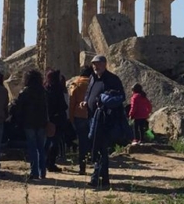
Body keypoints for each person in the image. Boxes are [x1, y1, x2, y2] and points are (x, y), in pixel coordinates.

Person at [80, 55, 125, 188]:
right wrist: (85, 102)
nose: (95, 66)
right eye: (94, 64)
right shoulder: (93, 78)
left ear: (105, 64)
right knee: (99, 148)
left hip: (106, 120)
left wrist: (105, 102)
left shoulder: (112, 79)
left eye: (98, 64)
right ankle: (104, 180)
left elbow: (120, 97)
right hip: (92, 118)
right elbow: (89, 93)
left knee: (100, 148)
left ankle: (95, 178)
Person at [11, 70, 49, 180]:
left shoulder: (25, 92)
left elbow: (19, 108)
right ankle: (43, 172)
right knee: (41, 148)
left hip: (29, 123)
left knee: (32, 148)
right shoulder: (43, 91)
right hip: (41, 123)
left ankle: (34, 172)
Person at [68, 66, 92, 175]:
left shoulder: (76, 84)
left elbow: (72, 103)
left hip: (79, 116)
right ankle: (96, 163)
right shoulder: (94, 84)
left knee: (82, 142)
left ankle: (82, 167)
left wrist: (71, 118)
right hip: (91, 115)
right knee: (93, 141)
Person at [44, 70, 69, 173]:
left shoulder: (45, 88)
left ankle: (44, 162)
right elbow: (63, 105)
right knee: (55, 143)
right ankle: (51, 163)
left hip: (47, 118)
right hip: (58, 119)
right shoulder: (58, 89)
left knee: (46, 142)